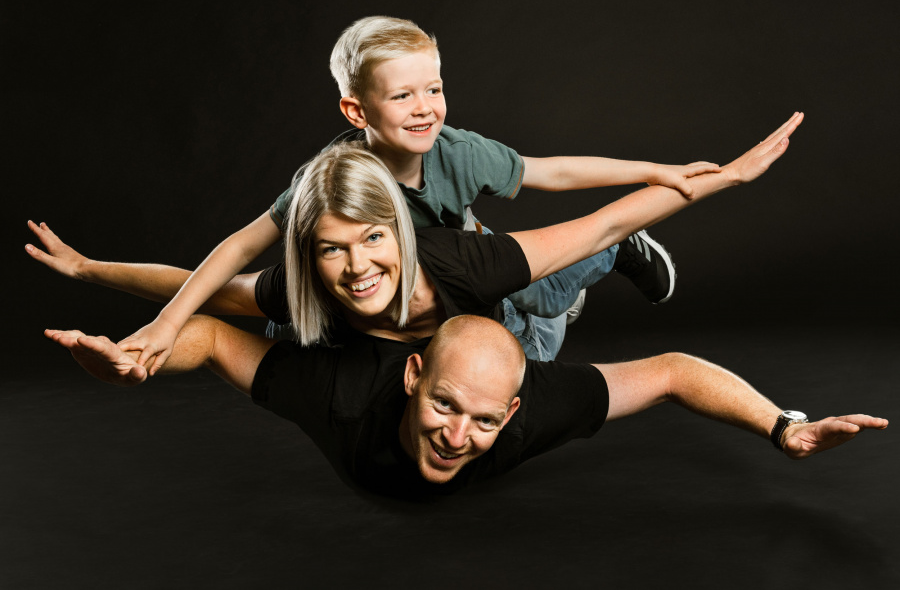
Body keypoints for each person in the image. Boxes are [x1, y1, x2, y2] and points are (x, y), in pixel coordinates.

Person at [109, 16, 726, 372]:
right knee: (323, 330)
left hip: (469, 262)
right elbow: (241, 248)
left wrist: (654, 171)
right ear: (357, 110)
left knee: (536, 318)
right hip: (418, 285)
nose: (425, 108)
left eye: (433, 89)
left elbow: (553, 172)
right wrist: (167, 323)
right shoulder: (334, 182)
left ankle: (613, 251)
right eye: (402, 96)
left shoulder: (459, 151)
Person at [29, 114, 803, 361]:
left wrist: (717, 178)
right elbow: (202, 282)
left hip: (502, 304)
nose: (355, 266)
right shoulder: (311, 284)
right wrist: (91, 271)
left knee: (552, 296)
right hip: (471, 335)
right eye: (333, 249)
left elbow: (594, 208)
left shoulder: (461, 250)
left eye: (371, 240)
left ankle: (609, 267)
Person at [44, 314, 889, 499]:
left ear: (514, 411)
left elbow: (670, 369)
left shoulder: (536, 404)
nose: (457, 436)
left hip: (504, 326)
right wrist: (139, 362)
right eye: (446, 405)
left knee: (543, 321)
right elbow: (211, 335)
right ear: (414, 378)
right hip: (373, 320)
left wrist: (783, 425)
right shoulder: (338, 392)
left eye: (486, 420)